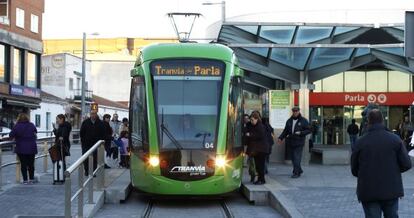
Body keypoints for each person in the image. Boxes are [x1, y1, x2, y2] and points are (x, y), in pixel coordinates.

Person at [351, 109, 411, 218]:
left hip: (368, 190)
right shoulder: (395, 139)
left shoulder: (360, 142)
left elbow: (354, 169)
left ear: (368, 121)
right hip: (391, 189)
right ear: (383, 121)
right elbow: (407, 164)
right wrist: (394, 170)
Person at [278, 106, 311, 178]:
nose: (295, 112)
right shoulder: (289, 121)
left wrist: (301, 133)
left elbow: (309, 130)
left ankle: (296, 173)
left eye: (296, 111)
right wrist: (281, 138)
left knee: (296, 157)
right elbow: (285, 131)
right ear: (292, 112)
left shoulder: (303, 120)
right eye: (294, 111)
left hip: (299, 142)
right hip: (291, 141)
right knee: (293, 158)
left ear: (299, 111)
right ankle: (299, 170)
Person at [9, 113, 37, 184]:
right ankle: (31, 179)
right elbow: (35, 132)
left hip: (21, 148)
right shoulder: (31, 125)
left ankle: (25, 180)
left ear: (19, 118)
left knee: (23, 164)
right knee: (31, 164)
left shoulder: (17, 126)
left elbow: (11, 135)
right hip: (31, 148)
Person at [246, 111, 269, 185]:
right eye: (251, 120)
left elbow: (259, 136)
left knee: (260, 166)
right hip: (258, 150)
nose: (251, 121)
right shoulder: (254, 126)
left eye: (252, 120)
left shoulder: (260, 126)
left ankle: (262, 180)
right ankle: (260, 179)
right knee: (258, 166)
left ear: (257, 119)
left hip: (261, 150)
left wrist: (250, 134)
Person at [80, 110, 105, 176]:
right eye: (92, 114)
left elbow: (103, 133)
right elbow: (82, 133)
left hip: (96, 144)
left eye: (94, 114)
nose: (93, 115)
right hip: (86, 144)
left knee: (95, 158)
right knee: (86, 158)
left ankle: (93, 172)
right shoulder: (85, 122)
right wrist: (83, 142)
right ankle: (86, 170)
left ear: (96, 115)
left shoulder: (100, 123)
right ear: (90, 114)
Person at [243, 113, 255, 182]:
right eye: (245, 119)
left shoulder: (254, 126)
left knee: (252, 162)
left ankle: (253, 174)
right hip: (247, 145)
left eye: (248, 119)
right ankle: (252, 174)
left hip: (252, 147)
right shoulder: (246, 125)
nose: (246, 120)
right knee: (251, 161)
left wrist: (250, 134)